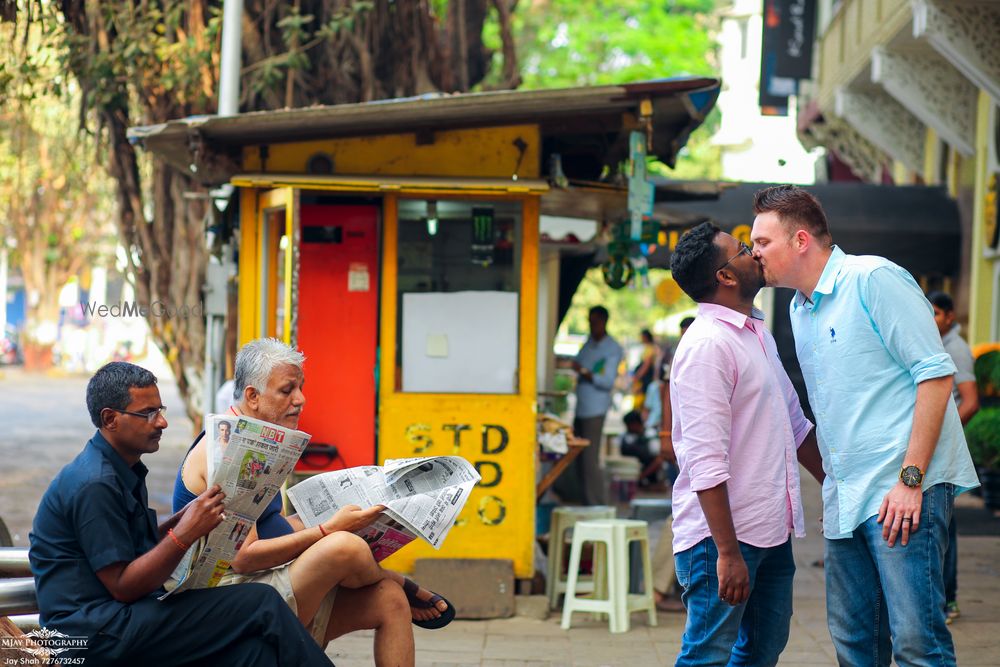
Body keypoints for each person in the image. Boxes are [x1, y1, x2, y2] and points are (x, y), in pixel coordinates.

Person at [750, 185, 979, 666]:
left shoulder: (873, 278)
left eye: (762, 242)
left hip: (902, 492)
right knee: (855, 646)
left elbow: (936, 376)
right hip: (846, 500)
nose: (754, 253)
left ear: (800, 240)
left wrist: (910, 481)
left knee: (918, 645)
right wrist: (833, 486)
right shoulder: (797, 308)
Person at [28, 362, 332, 667]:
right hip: (93, 634)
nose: (161, 422)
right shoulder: (94, 483)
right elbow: (123, 586)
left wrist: (185, 518)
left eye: (160, 410)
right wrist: (184, 533)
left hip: (118, 620)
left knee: (255, 655)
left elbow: (134, 551)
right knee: (262, 602)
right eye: (148, 414)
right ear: (110, 419)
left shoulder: (123, 469)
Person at [174, 338, 453, 667]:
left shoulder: (258, 438)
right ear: (252, 396)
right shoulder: (228, 451)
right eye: (287, 390)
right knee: (343, 548)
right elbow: (243, 559)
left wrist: (340, 517)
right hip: (233, 596)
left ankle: (388, 583)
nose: (301, 399)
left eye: (300, 387)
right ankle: (394, 577)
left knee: (390, 602)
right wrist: (327, 529)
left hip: (267, 579)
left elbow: (268, 527)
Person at [666, 222, 824, 666]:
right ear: (726, 276)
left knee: (760, 651)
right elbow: (704, 463)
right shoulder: (708, 346)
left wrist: (837, 486)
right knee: (707, 657)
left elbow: (796, 426)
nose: (755, 252)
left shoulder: (755, 332)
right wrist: (728, 552)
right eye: (741, 249)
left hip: (770, 531)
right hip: (721, 541)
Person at [927, 290, 981, 624]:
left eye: (935, 314)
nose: (931, 320)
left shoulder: (956, 350)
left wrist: (937, 430)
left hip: (943, 450)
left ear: (949, 317)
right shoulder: (934, 343)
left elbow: (971, 402)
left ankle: (949, 601)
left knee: (944, 523)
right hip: (934, 449)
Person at [648, 315, 695, 612]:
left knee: (686, 515)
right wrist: (666, 435)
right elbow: (666, 394)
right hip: (687, 446)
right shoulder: (681, 354)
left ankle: (667, 585)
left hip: (699, 446)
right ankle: (657, 587)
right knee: (682, 514)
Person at [554, 305, 623, 505]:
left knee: (590, 460)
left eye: (595, 322)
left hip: (596, 409)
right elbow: (577, 363)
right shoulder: (589, 342)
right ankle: (582, 498)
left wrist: (584, 372)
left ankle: (596, 502)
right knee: (578, 458)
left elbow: (606, 381)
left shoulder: (612, 348)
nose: (592, 326)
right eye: (590, 322)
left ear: (604, 322)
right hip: (581, 406)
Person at [618, 410, 658, 487]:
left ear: (635, 424)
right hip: (628, 477)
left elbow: (658, 460)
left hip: (649, 478)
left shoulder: (650, 434)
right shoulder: (625, 436)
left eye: (629, 425)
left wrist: (641, 476)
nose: (627, 428)